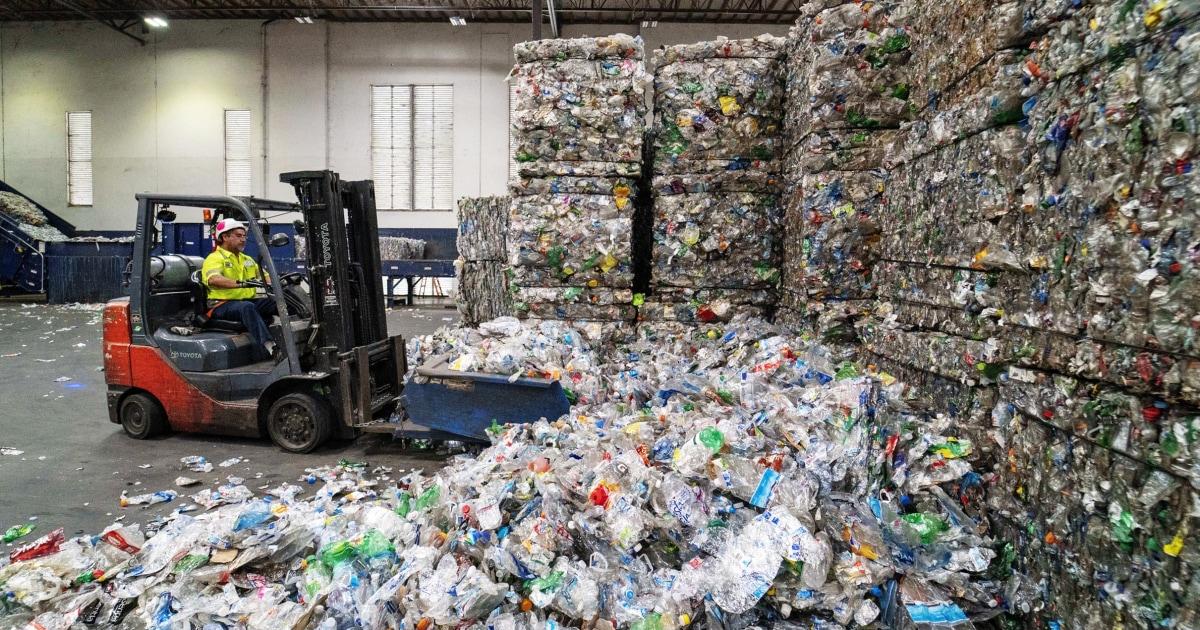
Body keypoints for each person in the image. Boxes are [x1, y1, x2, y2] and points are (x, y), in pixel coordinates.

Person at [201, 218, 278, 362]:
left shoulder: (247, 259)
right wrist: (241, 284)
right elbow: (214, 279)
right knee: (247, 307)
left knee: (277, 301)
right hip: (222, 304)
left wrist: (279, 283)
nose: (243, 239)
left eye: (244, 236)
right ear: (225, 237)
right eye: (238, 235)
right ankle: (271, 347)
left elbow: (266, 277)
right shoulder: (215, 258)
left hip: (246, 301)